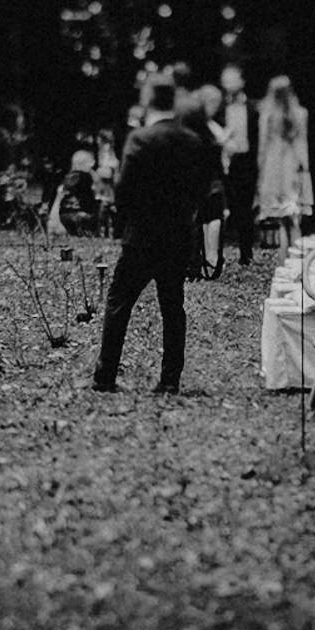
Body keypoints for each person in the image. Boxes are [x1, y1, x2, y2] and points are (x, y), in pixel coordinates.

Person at [94, 78, 218, 394]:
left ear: (149, 100)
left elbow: (123, 190)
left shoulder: (140, 139)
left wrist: (130, 217)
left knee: (119, 302)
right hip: (178, 233)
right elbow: (205, 185)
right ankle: (169, 380)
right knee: (173, 306)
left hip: (143, 234)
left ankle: (105, 376)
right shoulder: (191, 141)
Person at [256, 75, 311, 248]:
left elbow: (262, 146)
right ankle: (296, 266)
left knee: (280, 222)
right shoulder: (301, 114)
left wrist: (260, 172)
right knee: (295, 221)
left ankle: (283, 266)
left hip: (273, 169)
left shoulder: (267, 115)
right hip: (294, 166)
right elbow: (303, 144)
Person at [213, 64, 259, 271]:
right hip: (224, 161)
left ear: (242, 81)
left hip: (246, 160)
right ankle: (215, 254)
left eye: (233, 79)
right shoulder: (219, 108)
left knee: (245, 208)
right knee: (222, 207)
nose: (229, 84)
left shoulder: (252, 108)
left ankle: (246, 253)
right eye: (226, 80)